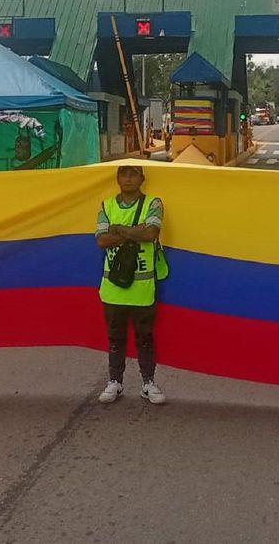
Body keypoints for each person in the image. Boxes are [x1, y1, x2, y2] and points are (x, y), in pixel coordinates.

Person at [95, 165, 168, 405]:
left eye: (133, 174)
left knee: (144, 337)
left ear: (142, 178)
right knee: (115, 337)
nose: (128, 179)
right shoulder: (106, 205)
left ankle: (148, 382)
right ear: (117, 179)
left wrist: (120, 229)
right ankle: (114, 381)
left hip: (143, 289)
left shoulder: (153, 203)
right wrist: (134, 231)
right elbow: (102, 240)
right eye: (123, 174)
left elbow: (151, 234)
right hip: (112, 288)